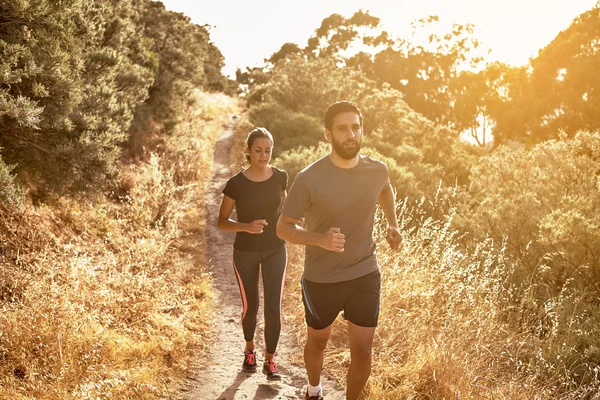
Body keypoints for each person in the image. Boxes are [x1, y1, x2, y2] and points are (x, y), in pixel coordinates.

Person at [276, 101, 401, 400]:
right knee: (318, 343)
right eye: (342, 128)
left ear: (362, 131)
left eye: (356, 128)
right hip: (322, 279)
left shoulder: (376, 170)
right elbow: (283, 228)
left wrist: (392, 225)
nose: (350, 134)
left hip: (364, 272)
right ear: (327, 135)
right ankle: (314, 390)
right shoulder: (309, 178)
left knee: (363, 350)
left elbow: (385, 189)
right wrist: (319, 239)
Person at [217, 127, 288, 381]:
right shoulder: (236, 183)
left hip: (275, 250)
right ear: (248, 151)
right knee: (251, 306)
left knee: (273, 307)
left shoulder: (280, 177)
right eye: (258, 150)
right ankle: (250, 351)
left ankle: (270, 360)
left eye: (268, 150)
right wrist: (246, 227)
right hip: (245, 252)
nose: (264, 155)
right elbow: (222, 221)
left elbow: (282, 210)